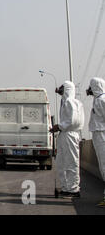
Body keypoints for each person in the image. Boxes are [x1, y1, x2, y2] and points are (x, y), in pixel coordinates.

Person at [51, 81, 84, 198]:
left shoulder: (70, 102)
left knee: (71, 162)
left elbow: (73, 121)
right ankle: (66, 187)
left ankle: (73, 189)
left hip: (69, 134)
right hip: (65, 134)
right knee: (62, 162)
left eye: (62, 88)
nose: (60, 90)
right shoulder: (67, 102)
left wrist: (59, 126)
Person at [86, 77, 105, 208]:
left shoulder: (102, 100)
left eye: (91, 87)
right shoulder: (97, 100)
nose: (89, 90)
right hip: (99, 135)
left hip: (102, 135)